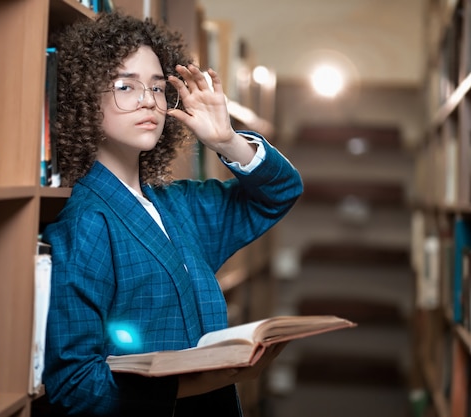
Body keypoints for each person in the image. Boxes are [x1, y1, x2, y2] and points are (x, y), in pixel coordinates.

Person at [41, 9, 303, 417]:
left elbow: (280, 192)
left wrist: (227, 140)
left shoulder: (179, 204)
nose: (148, 100)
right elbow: (72, 382)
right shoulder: (86, 223)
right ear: (84, 100)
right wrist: (183, 387)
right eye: (125, 86)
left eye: (159, 88)